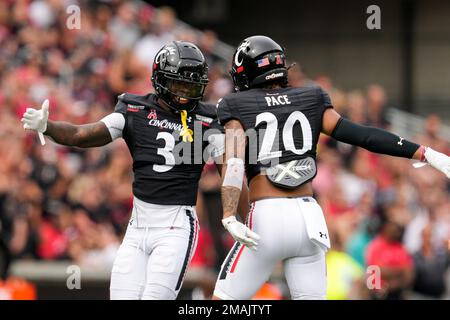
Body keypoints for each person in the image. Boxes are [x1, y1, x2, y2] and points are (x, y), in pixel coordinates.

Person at [213, 35, 450, 300]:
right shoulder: (310, 96)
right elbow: (364, 135)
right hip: (309, 218)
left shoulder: (235, 104)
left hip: (267, 216)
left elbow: (233, 162)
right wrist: (426, 153)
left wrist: (230, 214)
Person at [21, 41, 247, 300]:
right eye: (179, 85)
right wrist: (48, 126)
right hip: (137, 227)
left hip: (176, 226)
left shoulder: (208, 119)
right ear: (160, 79)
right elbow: (82, 135)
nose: (185, 94)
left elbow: (230, 170)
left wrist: (247, 217)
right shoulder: (134, 109)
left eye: (192, 86)